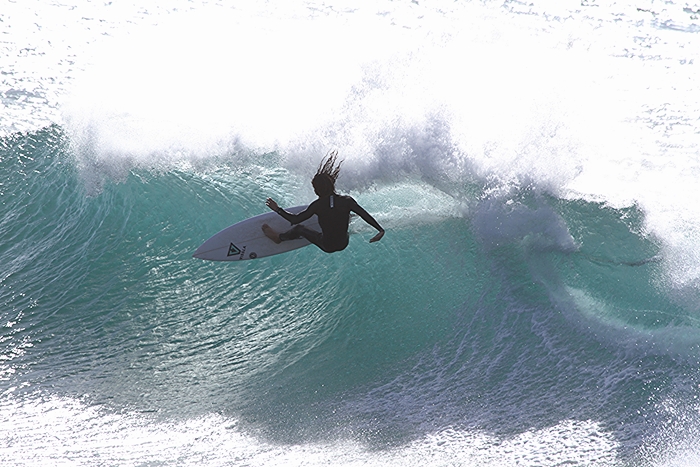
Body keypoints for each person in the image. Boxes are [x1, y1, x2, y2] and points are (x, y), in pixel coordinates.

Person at [262, 151, 385, 253]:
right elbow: (364, 215)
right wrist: (380, 230)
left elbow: (295, 220)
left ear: (317, 189)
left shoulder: (317, 206)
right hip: (343, 243)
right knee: (345, 214)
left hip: (327, 246)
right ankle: (345, 217)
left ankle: (278, 238)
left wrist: (277, 209)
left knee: (299, 228)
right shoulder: (347, 201)